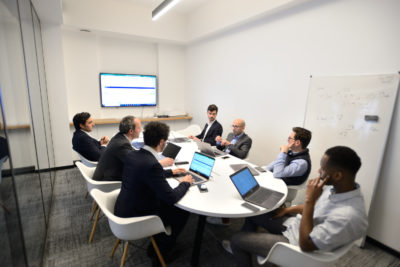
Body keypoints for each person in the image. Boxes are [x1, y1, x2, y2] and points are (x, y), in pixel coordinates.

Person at [224, 146, 368, 267]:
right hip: (296, 226)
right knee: (256, 213)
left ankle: (242, 247)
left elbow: (306, 244)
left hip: (296, 245)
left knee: (237, 240)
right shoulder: (339, 190)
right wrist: (287, 209)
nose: (319, 172)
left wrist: (310, 200)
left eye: (323, 169)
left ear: (337, 175)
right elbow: (318, 208)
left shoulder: (348, 216)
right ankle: (248, 249)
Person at [114, 122, 194, 263]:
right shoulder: (151, 164)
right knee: (182, 211)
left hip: (123, 207)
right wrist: (185, 182)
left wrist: (170, 172)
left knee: (163, 201)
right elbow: (171, 197)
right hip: (136, 216)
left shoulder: (134, 155)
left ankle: (158, 241)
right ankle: (161, 252)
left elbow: (146, 173)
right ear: (162, 142)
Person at [92, 116, 141, 181]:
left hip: (106, 174)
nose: (141, 130)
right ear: (131, 131)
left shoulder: (118, 137)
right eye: (139, 128)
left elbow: (131, 154)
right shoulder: (122, 145)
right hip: (106, 182)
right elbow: (136, 164)